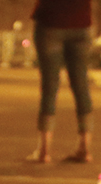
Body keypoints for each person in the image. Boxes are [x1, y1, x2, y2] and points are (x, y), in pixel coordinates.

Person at [28, 0, 93, 163]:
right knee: (81, 85)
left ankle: (44, 151)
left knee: (50, 85)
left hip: (51, 21)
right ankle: (85, 147)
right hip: (81, 22)